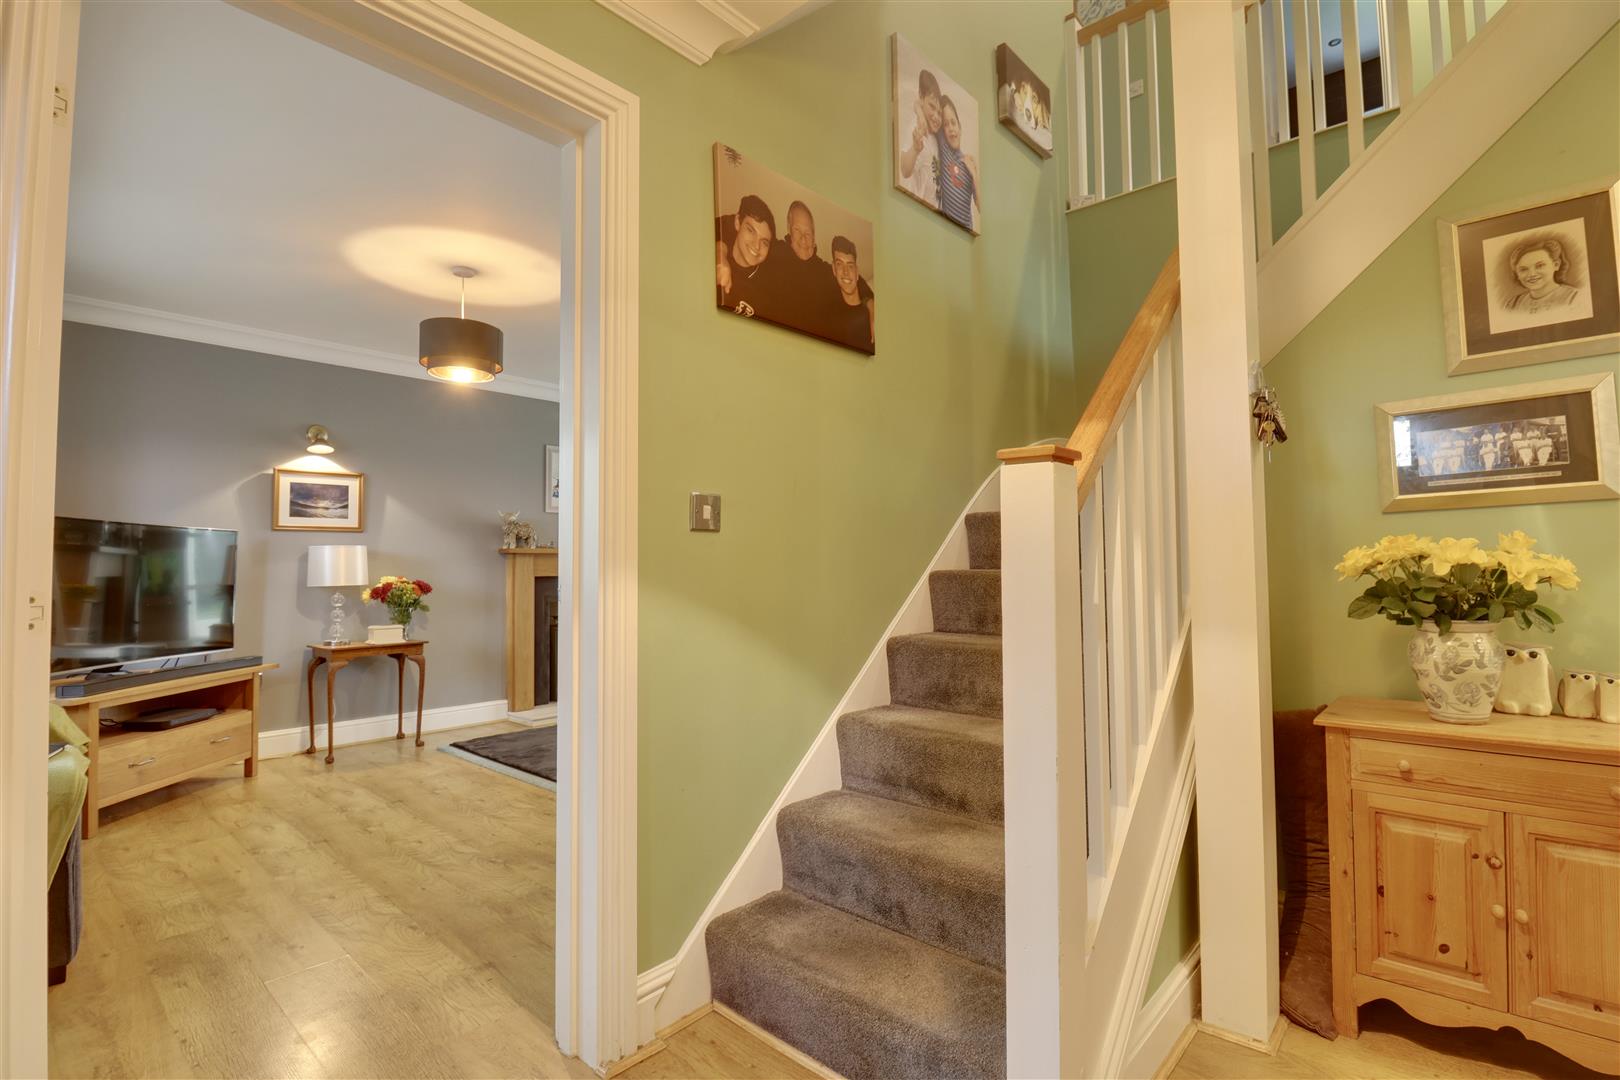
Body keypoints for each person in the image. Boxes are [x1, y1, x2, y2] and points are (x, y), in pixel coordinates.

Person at [715, 194, 776, 318]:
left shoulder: (767, 292)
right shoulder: (713, 235)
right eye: (751, 230)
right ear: (737, 223)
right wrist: (719, 253)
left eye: (764, 242)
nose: (757, 246)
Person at [1502, 238, 1585, 316]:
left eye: (1540, 266)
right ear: (1517, 274)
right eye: (1523, 269)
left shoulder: (1575, 297)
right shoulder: (1513, 305)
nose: (1532, 274)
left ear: (1556, 265)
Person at [899, 69, 943, 208]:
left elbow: (917, 103)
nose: (936, 116)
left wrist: (919, 110)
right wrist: (915, 149)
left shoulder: (935, 137)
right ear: (921, 98)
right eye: (931, 106)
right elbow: (905, 170)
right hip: (918, 209)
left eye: (939, 112)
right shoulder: (916, 128)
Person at [935, 95, 979, 231]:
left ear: (960, 127)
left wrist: (974, 175)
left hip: (966, 231)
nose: (951, 128)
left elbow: (980, 206)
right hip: (947, 229)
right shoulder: (944, 147)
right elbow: (923, 105)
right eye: (946, 125)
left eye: (953, 123)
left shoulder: (968, 162)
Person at [829, 236, 874, 352]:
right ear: (833, 269)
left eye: (850, 266)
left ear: (857, 272)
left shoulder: (874, 316)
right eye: (839, 264)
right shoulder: (834, 320)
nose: (845, 272)